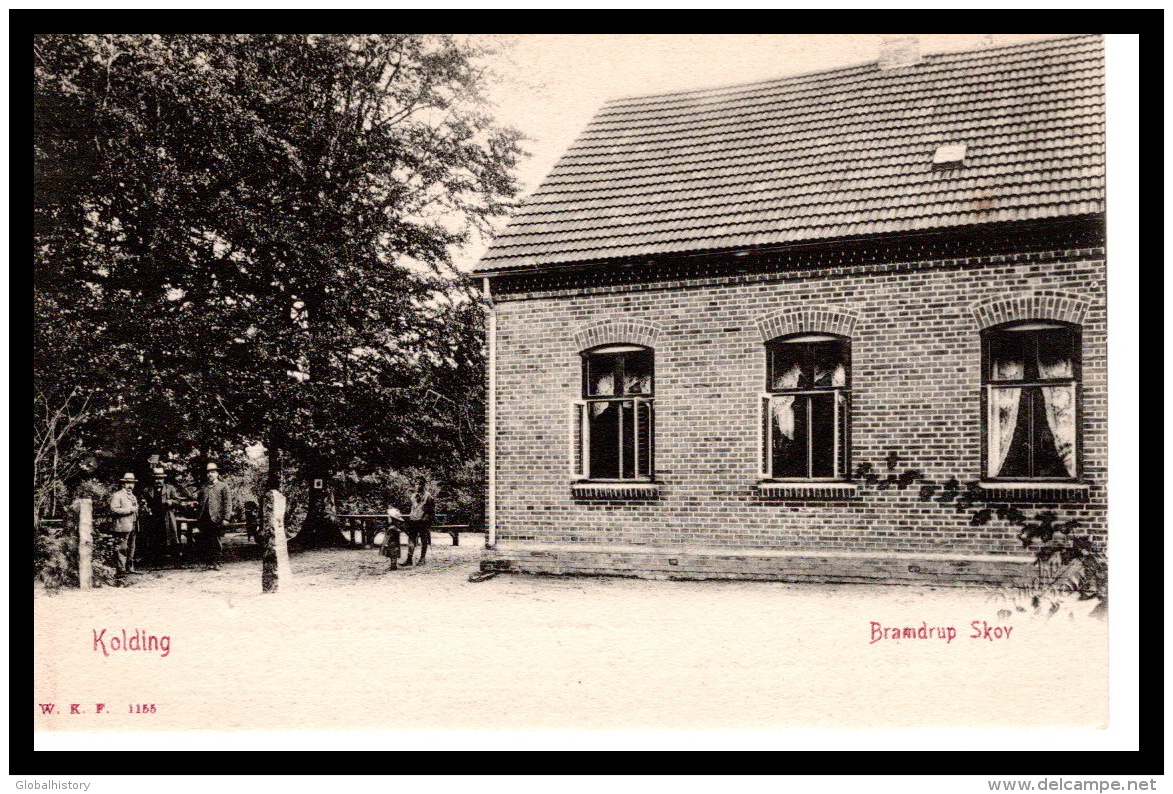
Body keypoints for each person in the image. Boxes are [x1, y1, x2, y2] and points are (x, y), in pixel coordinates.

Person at [196, 462, 232, 570]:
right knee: (205, 541)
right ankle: (209, 562)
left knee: (215, 541)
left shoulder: (223, 486)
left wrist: (226, 518)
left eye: (212, 472)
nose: (210, 474)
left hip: (216, 518)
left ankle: (217, 562)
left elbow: (228, 503)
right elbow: (199, 501)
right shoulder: (204, 487)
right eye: (208, 473)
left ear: (217, 473)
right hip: (204, 517)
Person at [148, 467, 188, 566]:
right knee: (156, 538)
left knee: (172, 538)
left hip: (167, 516)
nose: (158, 480)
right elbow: (146, 502)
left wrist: (171, 502)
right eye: (156, 478)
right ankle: (158, 562)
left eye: (160, 478)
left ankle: (177, 562)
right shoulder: (149, 489)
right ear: (154, 479)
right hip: (154, 517)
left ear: (164, 479)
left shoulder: (170, 488)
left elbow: (178, 500)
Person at [107, 473, 141, 581]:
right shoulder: (118, 495)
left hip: (133, 524)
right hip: (122, 525)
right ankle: (120, 570)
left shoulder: (133, 496)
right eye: (128, 483)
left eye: (132, 483)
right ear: (123, 484)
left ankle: (129, 567)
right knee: (122, 547)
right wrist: (129, 510)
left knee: (132, 547)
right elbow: (113, 509)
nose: (130, 485)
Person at [402, 477, 434, 567]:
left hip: (423, 521)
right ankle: (409, 559)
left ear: (424, 485)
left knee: (424, 540)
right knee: (411, 539)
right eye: (416, 483)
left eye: (420, 484)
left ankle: (422, 558)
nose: (418, 485)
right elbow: (413, 508)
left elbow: (431, 511)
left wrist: (426, 519)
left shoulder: (428, 496)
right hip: (413, 520)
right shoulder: (413, 496)